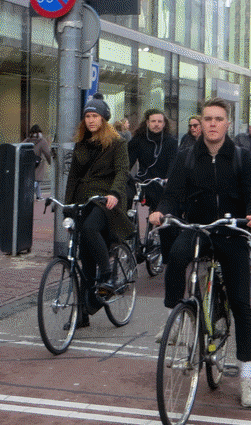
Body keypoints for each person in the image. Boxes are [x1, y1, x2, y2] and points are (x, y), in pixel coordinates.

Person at [149, 98, 251, 409]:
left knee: (241, 304)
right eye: (208, 119)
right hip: (198, 228)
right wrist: (161, 211)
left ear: (228, 124)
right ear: (200, 123)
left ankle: (246, 376)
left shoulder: (240, 157)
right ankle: (175, 315)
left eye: (219, 119)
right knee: (176, 256)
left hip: (231, 232)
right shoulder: (186, 157)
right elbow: (172, 195)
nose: (213, 124)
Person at [65, 94, 134, 325]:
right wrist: (67, 206)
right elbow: (73, 177)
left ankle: (106, 274)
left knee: (90, 227)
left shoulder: (117, 143)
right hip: (83, 199)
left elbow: (122, 171)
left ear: (104, 119)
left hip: (106, 200)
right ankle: (83, 314)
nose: (91, 120)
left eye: (95, 116)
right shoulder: (81, 143)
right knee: (85, 258)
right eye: (87, 116)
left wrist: (114, 193)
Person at [127, 108, 177, 213]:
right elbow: (128, 161)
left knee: (163, 210)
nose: (156, 124)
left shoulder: (171, 141)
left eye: (159, 121)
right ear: (147, 123)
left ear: (164, 124)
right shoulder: (138, 139)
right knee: (127, 196)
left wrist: (168, 179)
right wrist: (125, 176)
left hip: (161, 182)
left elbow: (173, 162)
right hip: (142, 181)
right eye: (153, 121)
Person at [22, 124, 52, 200]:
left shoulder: (27, 140)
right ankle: (32, 195)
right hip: (38, 162)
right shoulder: (42, 141)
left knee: (32, 180)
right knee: (36, 180)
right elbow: (47, 153)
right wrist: (51, 162)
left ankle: (37, 195)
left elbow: (21, 148)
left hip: (28, 162)